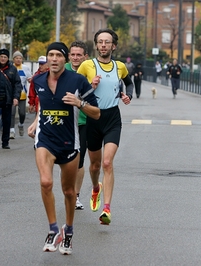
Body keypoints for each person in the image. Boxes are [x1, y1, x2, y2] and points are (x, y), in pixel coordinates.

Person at [27, 42, 100, 255]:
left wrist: (79, 103)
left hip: (69, 142)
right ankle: (52, 229)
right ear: (47, 58)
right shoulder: (39, 80)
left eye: (58, 55)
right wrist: (35, 121)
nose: (54, 59)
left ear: (65, 59)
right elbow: (44, 104)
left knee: (68, 191)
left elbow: (96, 113)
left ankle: (68, 230)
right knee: (46, 182)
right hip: (45, 140)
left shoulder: (77, 80)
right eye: (50, 55)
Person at [77, 28, 133, 225]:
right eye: (100, 42)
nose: (103, 45)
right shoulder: (86, 65)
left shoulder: (120, 66)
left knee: (107, 163)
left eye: (107, 42)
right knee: (95, 165)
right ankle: (95, 188)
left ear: (113, 46)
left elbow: (129, 82)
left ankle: (107, 209)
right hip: (92, 117)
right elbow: (76, 92)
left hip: (112, 118)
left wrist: (128, 95)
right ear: (96, 45)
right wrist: (89, 87)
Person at [65, 40, 89, 210]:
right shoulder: (62, 69)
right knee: (66, 160)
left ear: (85, 56)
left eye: (79, 55)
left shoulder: (90, 71)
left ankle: (76, 195)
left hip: (84, 121)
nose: (75, 58)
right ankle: (68, 192)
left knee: (79, 160)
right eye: (72, 54)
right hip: (64, 120)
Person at [10, 51, 32, 138]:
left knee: (22, 113)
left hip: (22, 94)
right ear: (13, 59)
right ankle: (12, 130)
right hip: (12, 94)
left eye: (20, 58)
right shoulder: (11, 68)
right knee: (12, 112)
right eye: (16, 58)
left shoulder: (25, 68)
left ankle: (21, 124)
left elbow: (30, 79)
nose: (18, 60)